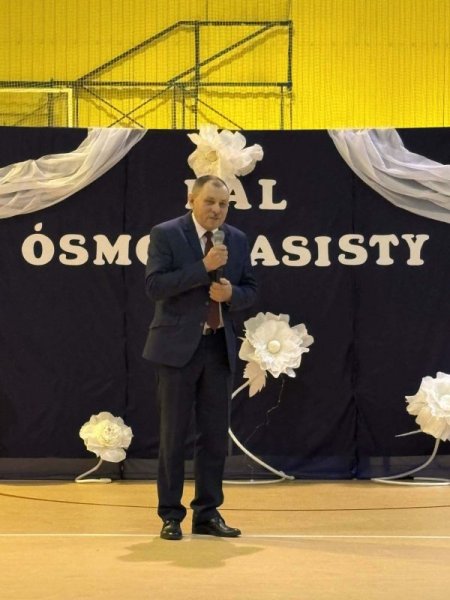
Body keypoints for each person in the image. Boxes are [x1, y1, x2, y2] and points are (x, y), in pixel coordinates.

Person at [143, 175, 257, 540]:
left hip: (218, 348)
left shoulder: (236, 239)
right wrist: (203, 268)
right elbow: (155, 286)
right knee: (173, 435)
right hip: (176, 349)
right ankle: (170, 515)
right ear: (192, 199)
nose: (216, 210)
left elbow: (251, 289)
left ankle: (207, 514)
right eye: (210, 201)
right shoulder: (166, 234)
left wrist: (232, 295)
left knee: (213, 437)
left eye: (223, 204)